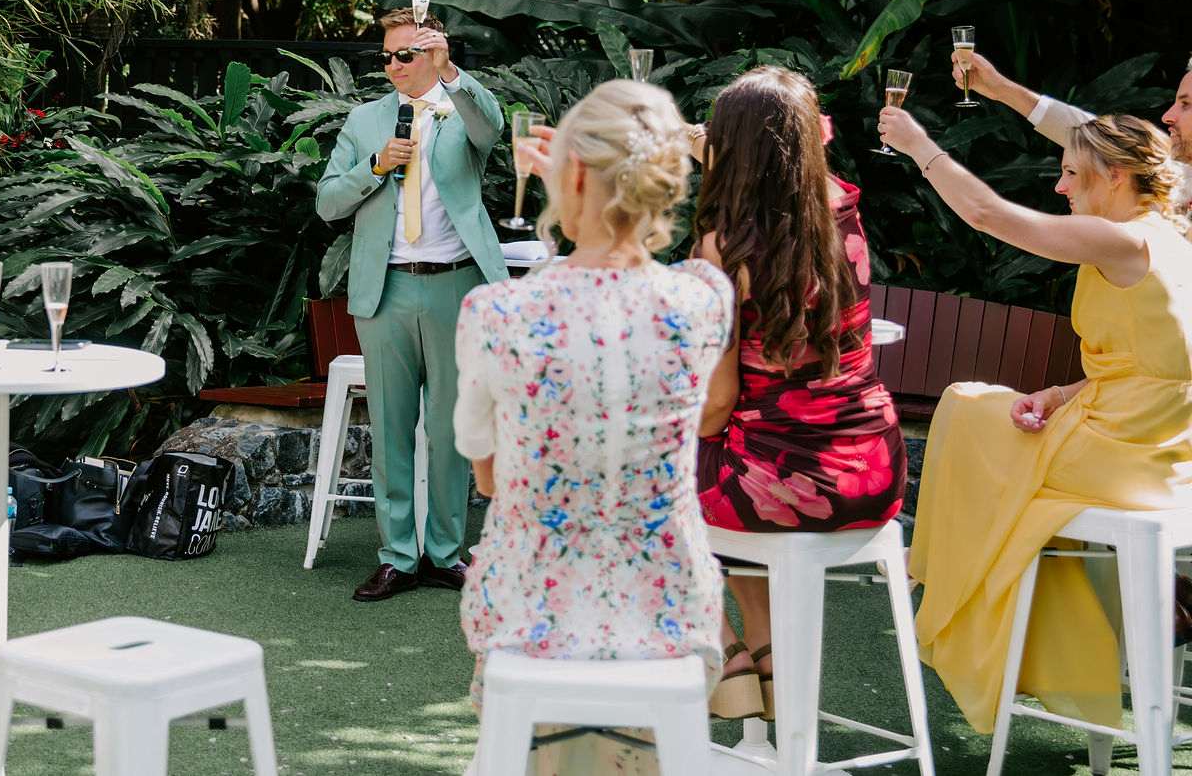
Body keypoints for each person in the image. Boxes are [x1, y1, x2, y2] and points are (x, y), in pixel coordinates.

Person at [880, 104, 1192, 734]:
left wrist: (919, 144)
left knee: (966, 404)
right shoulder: (1175, 243)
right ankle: (958, 569)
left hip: (1124, 453)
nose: (1060, 186)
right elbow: (1153, 366)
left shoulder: (1124, 238)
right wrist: (1058, 392)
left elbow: (988, 216)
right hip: (1166, 450)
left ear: (1116, 176)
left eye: (1072, 173)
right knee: (997, 413)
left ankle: (940, 575)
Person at [454, 79, 731, 772]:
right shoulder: (703, 298)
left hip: (529, 615)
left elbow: (487, 476)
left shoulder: (498, 313)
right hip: (671, 616)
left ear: (571, 172)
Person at [691, 67, 904, 720]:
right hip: (874, 470)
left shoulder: (723, 246)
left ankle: (726, 654)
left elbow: (719, 401)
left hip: (785, 485)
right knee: (730, 461)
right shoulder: (843, 209)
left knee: (649, 484)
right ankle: (771, 660)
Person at [317, 10, 508, 602]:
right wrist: (376, 166)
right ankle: (398, 556)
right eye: (386, 56)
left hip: (457, 286)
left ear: (431, 54)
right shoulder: (365, 118)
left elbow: (492, 129)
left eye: (405, 55)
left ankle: (446, 553)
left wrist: (453, 71)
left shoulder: (462, 108)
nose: (393, 66)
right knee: (392, 429)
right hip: (387, 290)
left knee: (453, 428)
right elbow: (327, 203)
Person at [952, 49, 1192, 212]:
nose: (1167, 116)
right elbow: (1092, 134)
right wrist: (1001, 89)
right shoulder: (1174, 171)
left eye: (1186, 105)